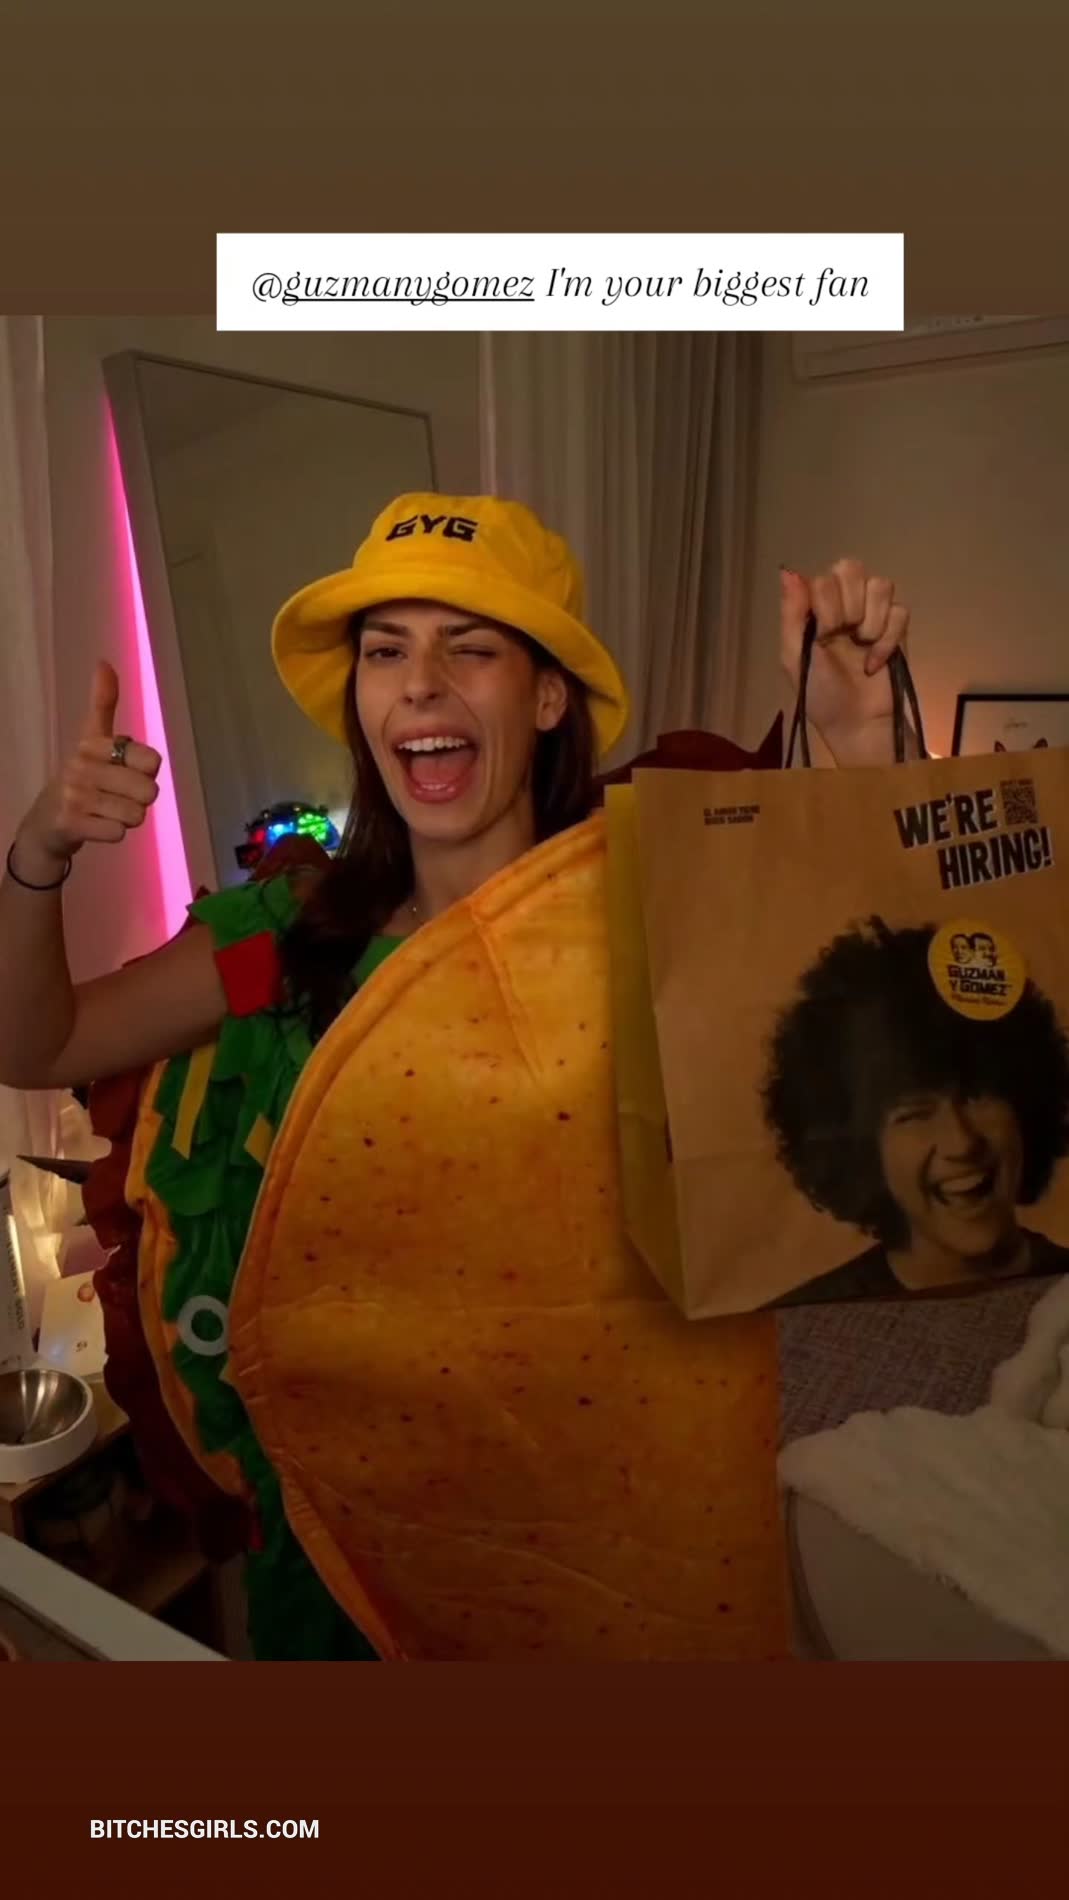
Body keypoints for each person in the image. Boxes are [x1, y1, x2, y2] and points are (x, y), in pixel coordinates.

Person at [0, 492, 915, 1655]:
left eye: (469, 647)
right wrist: (41, 849)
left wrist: (857, 752)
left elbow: (882, 1048)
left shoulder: (653, 914)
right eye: (386, 651)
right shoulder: (288, 939)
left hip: (597, 1513)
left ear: (546, 699)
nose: (420, 683)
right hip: (349, 1533)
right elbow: (39, 1045)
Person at [763, 918, 1069, 1306]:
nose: (961, 1143)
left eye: (976, 1096)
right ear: (861, 1149)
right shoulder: (806, 1324)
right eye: (914, 1114)